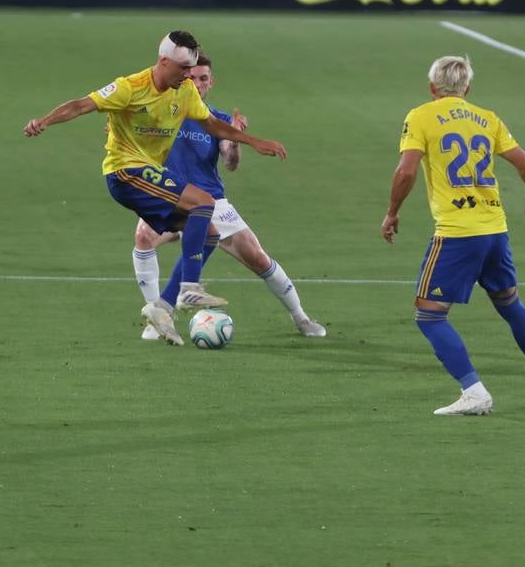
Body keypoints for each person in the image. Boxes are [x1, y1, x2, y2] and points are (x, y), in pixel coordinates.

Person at [24, 31, 287, 346]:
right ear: (164, 61)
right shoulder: (130, 88)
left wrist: (255, 142)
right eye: (182, 69)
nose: (188, 76)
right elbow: (82, 105)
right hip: (124, 171)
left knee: (210, 234)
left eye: (191, 71)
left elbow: (212, 125)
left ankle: (162, 307)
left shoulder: (184, 90)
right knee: (203, 202)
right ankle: (189, 288)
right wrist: (45, 121)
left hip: (148, 174)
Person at [381, 55, 525, 416]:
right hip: (495, 231)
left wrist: (392, 212)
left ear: (433, 88)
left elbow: (406, 171)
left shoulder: (420, 116)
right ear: (468, 89)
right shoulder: (487, 118)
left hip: (457, 234)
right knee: (510, 305)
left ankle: (475, 391)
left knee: (430, 317)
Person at [130, 53, 326, 340]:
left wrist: (234, 140)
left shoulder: (217, 120)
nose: (196, 83)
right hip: (171, 197)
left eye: (203, 78)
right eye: (192, 77)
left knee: (259, 259)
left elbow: (230, 163)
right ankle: (158, 316)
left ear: (211, 83)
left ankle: (301, 317)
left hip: (211, 202)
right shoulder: (161, 110)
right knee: (143, 236)